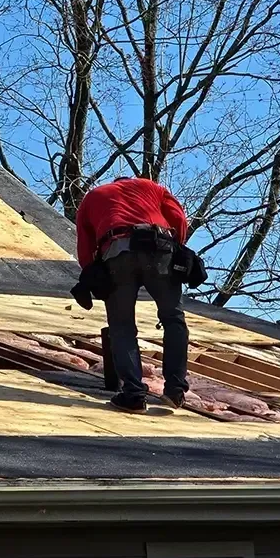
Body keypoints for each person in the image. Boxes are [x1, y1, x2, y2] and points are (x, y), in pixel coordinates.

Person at [75, 176, 190, 414]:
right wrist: (178, 246)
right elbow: (178, 217)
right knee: (173, 319)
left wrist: (91, 274)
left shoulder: (93, 196)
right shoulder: (152, 187)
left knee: (122, 327)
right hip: (160, 248)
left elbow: (85, 245)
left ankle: (133, 394)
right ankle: (175, 391)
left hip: (118, 253)